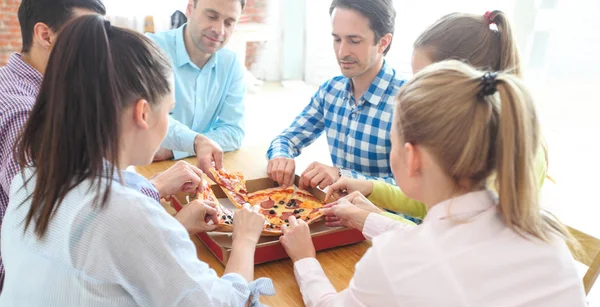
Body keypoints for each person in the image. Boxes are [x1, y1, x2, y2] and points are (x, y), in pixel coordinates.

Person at [279, 60, 597, 307]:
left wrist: (304, 259)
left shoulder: (404, 258)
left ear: (411, 157)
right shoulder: (545, 234)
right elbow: (443, 254)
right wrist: (366, 219)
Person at [0, 16, 278, 307]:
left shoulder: (33, 176)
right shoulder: (122, 213)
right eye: (169, 112)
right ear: (144, 112)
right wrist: (245, 239)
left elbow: (102, 260)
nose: (169, 124)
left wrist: (169, 221)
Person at [0, 0, 204, 294]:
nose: (101, 51)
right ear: (45, 35)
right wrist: (156, 193)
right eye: (88, 36)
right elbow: (63, 220)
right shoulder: (23, 112)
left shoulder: (43, 88)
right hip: (26, 288)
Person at [326, 10, 548, 224]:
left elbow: (451, 245)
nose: (417, 91)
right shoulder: (467, 130)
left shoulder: (501, 148)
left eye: (424, 80)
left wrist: (373, 218)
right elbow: (437, 202)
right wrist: (373, 189)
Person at [266, 0, 404, 189]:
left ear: (383, 43)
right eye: (337, 39)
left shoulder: (408, 103)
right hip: (339, 212)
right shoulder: (331, 90)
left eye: (354, 41)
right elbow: (287, 139)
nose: (342, 52)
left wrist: (342, 176)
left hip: (384, 216)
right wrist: (280, 156)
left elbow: (416, 192)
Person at [149, 0, 247, 173]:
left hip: (197, 170)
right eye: (211, 16)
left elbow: (234, 132)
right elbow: (151, 122)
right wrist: (197, 144)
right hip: (148, 170)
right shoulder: (152, 50)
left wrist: (176, 149)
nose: (219, 30)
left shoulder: (231, 63)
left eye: (229, 22)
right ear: (189, 9)